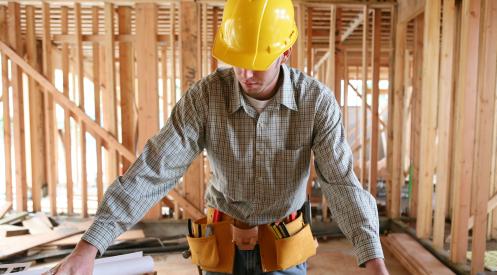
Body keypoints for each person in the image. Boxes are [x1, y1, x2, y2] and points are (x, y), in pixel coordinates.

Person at [46, 0, 388, 274]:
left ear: (285, 53)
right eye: (238, 61)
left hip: (285, 246)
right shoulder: (206, 98)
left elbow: (341, 184)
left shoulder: (315, 102)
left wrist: (373, 259)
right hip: (223, 246)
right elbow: (155, 168)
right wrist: (90, 246)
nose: (245, 73)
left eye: (257, 63)